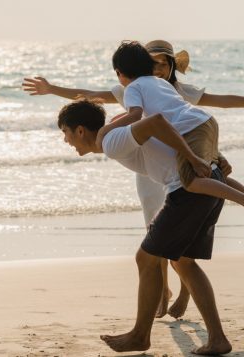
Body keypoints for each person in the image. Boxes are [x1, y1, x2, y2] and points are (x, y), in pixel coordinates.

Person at [23, 39, 244, 318]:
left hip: (178, 149)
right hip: (157, 158)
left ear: (171, 65)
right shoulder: (143, 88)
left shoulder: (155, 90)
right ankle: (162, 290)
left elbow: (209, 106)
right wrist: (52, 89)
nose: (160, 68)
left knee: (180, 213)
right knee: (158, 232)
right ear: (147, 65)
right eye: (156, 63)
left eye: (165, 63)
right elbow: (90, 96)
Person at [57, 99, 232, 355]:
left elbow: (157, 121)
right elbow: (158, 130)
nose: (66, 140)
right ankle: (217, 339)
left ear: (80, 130)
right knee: (183, 262)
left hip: (187, 191)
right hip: (203, 186)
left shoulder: (111, 141)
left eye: (65, 133)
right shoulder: (113, 136)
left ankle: (140, 336)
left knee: (146, 259)